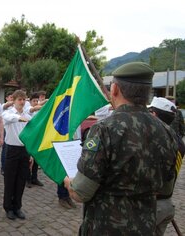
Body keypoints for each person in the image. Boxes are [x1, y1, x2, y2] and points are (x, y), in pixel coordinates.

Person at [64, 62, 178, 235]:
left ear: (115, 89)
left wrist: (69, 182)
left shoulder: (104, 129)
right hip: (145, 227)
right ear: (147, 93)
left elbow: (81, 193)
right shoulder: (167, 132)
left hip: (105, 227)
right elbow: (166, 188)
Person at [148, 97, 185, 236]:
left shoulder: (156, 140)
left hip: (153, 206)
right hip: (166, 204)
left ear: (154, 114)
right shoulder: (178, 141)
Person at [2, 90, 33, 220]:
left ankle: (17, 207)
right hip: (12, 150)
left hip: (24, 150)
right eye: (19, 99)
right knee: (10, 180)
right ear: (13, 101)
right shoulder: (8, 113)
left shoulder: (28, 116)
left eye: (24, 99)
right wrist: (19, 118)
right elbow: (8, 118)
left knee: (21, 180)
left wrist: (31, 154)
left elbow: (31, 136)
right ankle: (8, 207)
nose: (22, 102)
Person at [26, 92, 44, 187]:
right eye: (34, 101)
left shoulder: (39, 111)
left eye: (37, 101)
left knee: (36, 159)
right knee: (29, 160)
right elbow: (33, 109)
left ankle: (34, 178)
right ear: (30, 101)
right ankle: (27, 179)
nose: (36, 102)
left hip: (37, 137)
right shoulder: (28, 108)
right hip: (29, 138)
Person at [0, 91, 14, 175]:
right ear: (7, 98)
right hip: (5, 130)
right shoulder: (4, 106)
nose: (12, 99)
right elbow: (5, 106)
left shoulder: (15, 107)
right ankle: (3, 167)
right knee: (5, 150)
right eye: (11, 97)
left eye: (13, 97)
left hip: (13, 131)